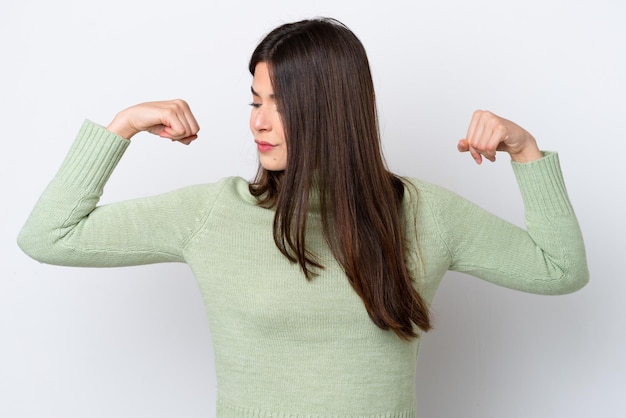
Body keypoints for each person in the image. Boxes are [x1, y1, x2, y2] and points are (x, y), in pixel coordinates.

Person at [18, 17, 588, 418]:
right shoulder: (213, 214)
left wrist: (526, 151)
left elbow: (560, 269)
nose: (259, 123)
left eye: (280, 103)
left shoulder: (421, 212)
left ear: (331, 109)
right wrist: (122, 126)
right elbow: (49, 235)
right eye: (255, 100)